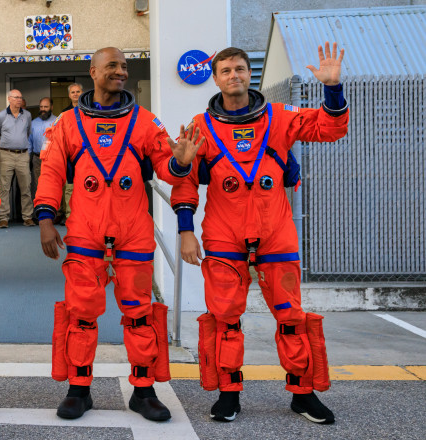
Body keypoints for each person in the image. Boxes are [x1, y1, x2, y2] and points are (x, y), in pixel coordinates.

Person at [169, 43, 348, 424]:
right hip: (223, 236)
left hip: (275, 234)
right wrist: (186, 232)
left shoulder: (281, 117)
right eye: (226, 71)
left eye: (239, 68)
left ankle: (303, 393)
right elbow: (183, 183)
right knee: (225, 318)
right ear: (215, 79)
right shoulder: (199, 128)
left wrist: (332, 89)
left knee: (290, 316)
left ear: (249, 74)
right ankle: (229, 393)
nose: (233, 75)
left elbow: (330, 128)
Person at [35, 47, 202, 422]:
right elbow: (51, 173)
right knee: (80, 314)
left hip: (133, 234)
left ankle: (143, 391)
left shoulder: (145, 122)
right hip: (85, 232)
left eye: (125, 67)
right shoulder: (66, 123)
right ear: (92, 72)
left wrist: (180, 161)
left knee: (140, 313)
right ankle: (79, 390)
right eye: (112, 66)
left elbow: (167, 171)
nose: (121, 72)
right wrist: (46, 219)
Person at [0, 89, 35, 228]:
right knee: (4, 188)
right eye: (16, 97)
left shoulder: (27, 115)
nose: (19, 100)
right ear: (9, 99)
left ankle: (27, 217)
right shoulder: (1, 116)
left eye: (20, 97)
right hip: (6, 155)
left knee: (26, 187)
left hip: (23, 155)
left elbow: (28, 133)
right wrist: (4, 149)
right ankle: (4, 218)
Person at [57, 83, 83, 224]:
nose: (75, 94)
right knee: (69, 187)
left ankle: (85, 216)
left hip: (87, 153)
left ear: (82, 93)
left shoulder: (89, 110)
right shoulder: (64, 113)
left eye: (78, 91)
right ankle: (69, 215)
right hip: (70, 155)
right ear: (69, 95)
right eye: (72, 92)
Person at [29, 97, 57, 190]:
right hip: (37, 159)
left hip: (53, 159)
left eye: (46, 107)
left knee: (53, 185)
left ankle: (55, 205)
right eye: (41, 107)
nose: (43, 109)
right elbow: (30, 142)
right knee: (39, 186)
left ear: (52, 107)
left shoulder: (57, 122)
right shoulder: (33, 123)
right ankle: (40, 205)